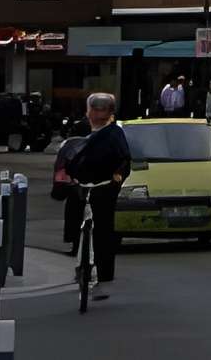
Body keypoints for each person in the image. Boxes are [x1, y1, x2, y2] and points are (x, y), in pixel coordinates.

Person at [63, 90, 133, 299]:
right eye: (95, 109)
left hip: (104, 186)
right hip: (80, 184)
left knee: (103, 231)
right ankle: (78, 261)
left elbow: (124, 161)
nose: (98, 114)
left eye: (103, 110)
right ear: (89, 111)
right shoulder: (81, 129)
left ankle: (101, 278)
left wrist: (116, 179)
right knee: (77, 218)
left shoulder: (114, 133)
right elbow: (66, 154)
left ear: (110, 112)